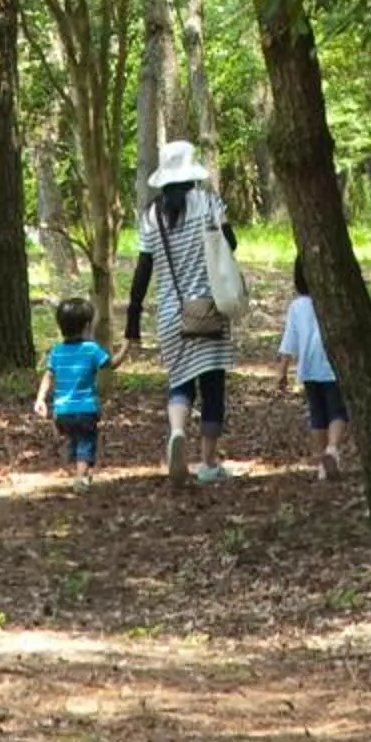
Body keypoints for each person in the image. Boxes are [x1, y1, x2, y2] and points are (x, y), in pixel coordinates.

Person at [124, 137, 239, 486]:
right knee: (213, 385)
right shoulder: (207, 202)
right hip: (208, 307)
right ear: (192, 172)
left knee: (180, 382)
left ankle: (176, 432)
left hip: (171, 315)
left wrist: (132, 319)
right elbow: (231, 243)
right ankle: (208, 462)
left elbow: (143, 269)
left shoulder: (151, 215)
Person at [275, 255, 349, 478]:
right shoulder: (335, 300)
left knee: (318, 414)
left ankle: (321, 463)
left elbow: (289, 341)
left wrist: (282, 370)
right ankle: (333, 449)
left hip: (308, 368)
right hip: (333, 366)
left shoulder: (297, 306)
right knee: (338, 412)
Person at [34, 296, 116, 481]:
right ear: (87, 326)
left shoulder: (57, 351)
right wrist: (126, 349)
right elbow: (110, 364)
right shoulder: (91, 349)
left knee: (73, 438)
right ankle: (81, 476)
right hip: (85, 409)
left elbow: (48, 376)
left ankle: (79, 470)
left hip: (62, 411)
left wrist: (40, 399)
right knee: (87, 441)